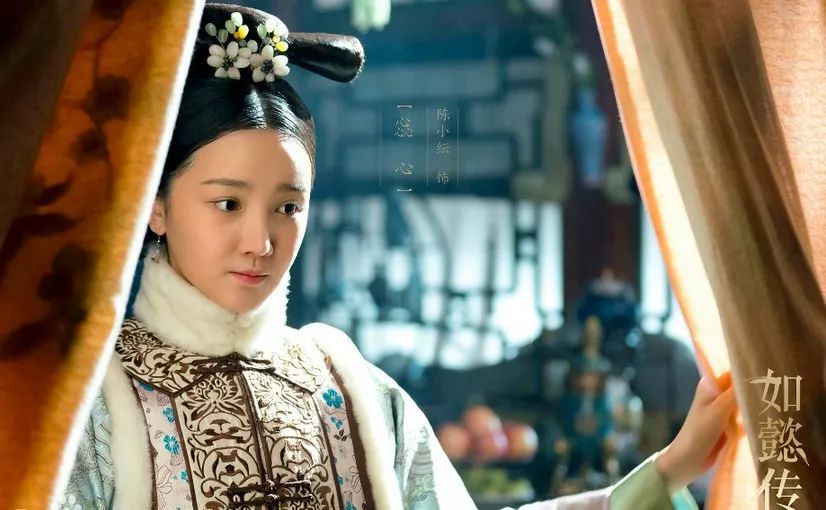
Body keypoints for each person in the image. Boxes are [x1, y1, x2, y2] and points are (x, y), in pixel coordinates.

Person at [58, 4, 737, 509]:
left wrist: (669, 471)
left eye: (288, 207)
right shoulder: (94, 404)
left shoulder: (350, 389)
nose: (259, 241)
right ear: (156, 205)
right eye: (228, 203)